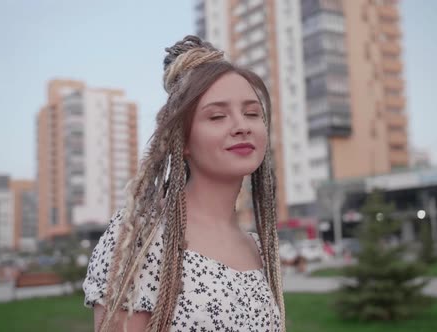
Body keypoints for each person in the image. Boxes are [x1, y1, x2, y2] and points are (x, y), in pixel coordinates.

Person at [83, 35, 285, 332]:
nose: (241, 126)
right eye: (217, 116)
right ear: (183, 140)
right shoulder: (141, 240)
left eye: (252, 113)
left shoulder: (258, 246)